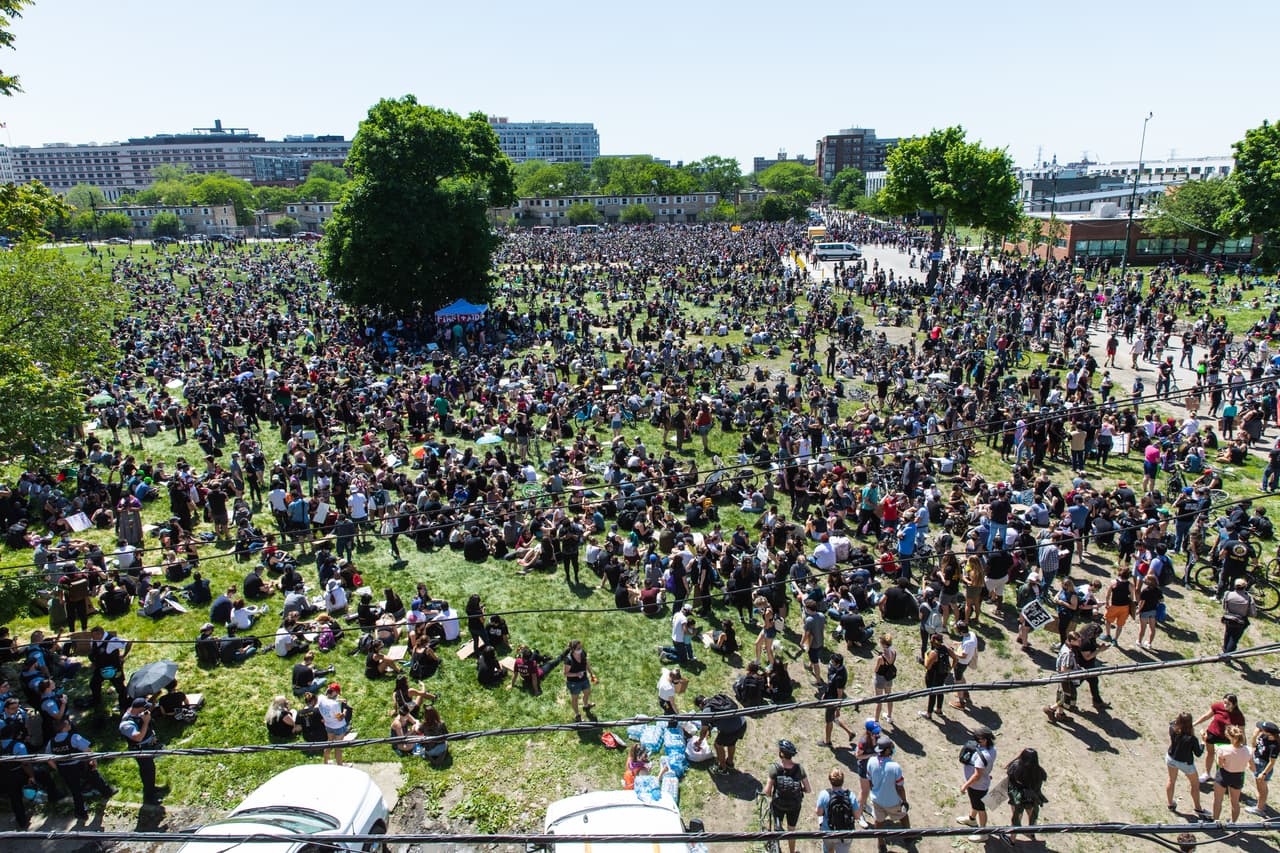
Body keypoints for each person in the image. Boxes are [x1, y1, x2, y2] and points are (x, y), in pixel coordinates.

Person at [45, 714, 113, 822]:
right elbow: (87, 750)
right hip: (79, 765)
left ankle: (81, 813)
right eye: (68, 723)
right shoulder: (74, 737)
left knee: (75, 791)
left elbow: (48, 759)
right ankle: (107, 792)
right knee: (94, 777)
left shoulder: (51, 742)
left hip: (64, 769)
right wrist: (93, 760)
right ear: (65, 726)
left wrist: (57, 768)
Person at [763, 739, 810, 853]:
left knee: (775, 825)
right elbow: (808, 789)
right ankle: (792, 851)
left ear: (781, 754)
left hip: (778, 804)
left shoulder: (775, 768)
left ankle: (774, 844)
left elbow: (767, 791)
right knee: (791, 830)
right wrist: (800, 789)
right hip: (794, 806)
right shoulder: (799, 769)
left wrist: (771, 793)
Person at [865, 735, 909, 853]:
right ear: (887, 750)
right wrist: (904, 801)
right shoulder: (895, 767)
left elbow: (869, 781)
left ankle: (881, 844)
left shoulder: (871, 761)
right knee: (903, 816)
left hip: (877, 800)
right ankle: (908, 836)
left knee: (878, 821)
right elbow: (900, 788)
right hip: (893, 801)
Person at [118, 697, 163, 805]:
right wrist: (146, 722)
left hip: (148, 746)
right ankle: (149, 797)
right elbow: (138, 737)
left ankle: (151, 787)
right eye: (145, 708)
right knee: (147, 771)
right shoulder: (126, 724)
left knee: (150, 769)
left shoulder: (137, 713)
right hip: (140, 750)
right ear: (139, 709)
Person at [956, 726, 996, 841]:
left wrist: (965, 786)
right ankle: (971, 819)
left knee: (980, 808)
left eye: (978, 738)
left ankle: (983, 833)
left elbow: (977, 775)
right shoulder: (993, 749)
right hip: (982, 783)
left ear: (984, 740)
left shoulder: (983, 756)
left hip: (977, 786)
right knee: (975, 804)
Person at [0, 705, 37, 829]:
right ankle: (49, 797)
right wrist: (31, 776)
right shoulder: (18, 746)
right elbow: (25, 763)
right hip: (18, 773)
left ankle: (22, 822)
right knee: (41, 775)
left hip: (3, 776)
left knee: (15, 799)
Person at [1196, 694, 1245, 784]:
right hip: (1212, 734)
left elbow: (1242, 732)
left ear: (1234, 704)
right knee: (1210, 753)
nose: (1225, 705)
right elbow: (1206, 716)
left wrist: (1243, 746)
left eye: (1228, 704)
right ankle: (1206, 773)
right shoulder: (1218, 706)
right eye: (1224, 702)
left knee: (1224, 758)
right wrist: (1194, 724)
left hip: (1226, 738)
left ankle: (1222, 777)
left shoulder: (1239, 715)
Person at [693, 693, 747, 775]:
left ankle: (722, 768)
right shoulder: (719, 699)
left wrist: (699, 741)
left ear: (700, 705)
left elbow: (703, 731)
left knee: (717, 745)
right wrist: (710, 729)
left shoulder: (706, 711)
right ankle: (730, 763)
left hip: (731, 730)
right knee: (731, 742)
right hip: (742, 724)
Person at [1166, 712, 1207, 816]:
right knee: (1195, 784)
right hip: (1185, 763)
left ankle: (1170, 804)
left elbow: (1172, 723)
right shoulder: (1191, 739)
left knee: (1171, 781)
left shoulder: (1172, 729)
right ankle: (1198, 808)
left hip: (1171, 758)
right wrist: (1203, 742)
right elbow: (1198, 753)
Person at [1005, 748, 1047, 842]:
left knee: (1017, 816)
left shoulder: (1015, 767)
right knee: (1032, 814)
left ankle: (1012, 839)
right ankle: (1031, 833)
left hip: (1018, 796)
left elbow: (1008, 772)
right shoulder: (1040, 771)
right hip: (1032, 796)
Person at [815, 767, 860, 853]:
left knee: (828, 850)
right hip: (845, 833)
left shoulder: (824, 794)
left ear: (830, 780)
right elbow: (857, 816)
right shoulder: (850, 795)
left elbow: (819, 813)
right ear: (843, 780)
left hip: (828, 831)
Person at [1213, 725, 1250, 822]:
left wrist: (1217, 755)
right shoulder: (1248, 750)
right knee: (1235, 802)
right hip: (1238, 776)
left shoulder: (1223, 749)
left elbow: (1220, 765)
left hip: (1224, 775)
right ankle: (1233, 823)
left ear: (1229, 736)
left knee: (1218, 800)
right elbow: (1250, 764)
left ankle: (1215, 821)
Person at [820, 653, 856, 747]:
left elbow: (839, 694)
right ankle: (850, 733)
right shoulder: (835, 669)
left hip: (833, 700)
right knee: (833, 718)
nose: (831, 663)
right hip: (829, 695)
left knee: (829, 721)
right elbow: (830, 683)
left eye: (832, 662)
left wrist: (838, 708)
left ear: (838, 664)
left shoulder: (840, 676)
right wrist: (825, 693)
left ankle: (827, 742)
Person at [317, 682, 352, 765]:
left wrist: (339, 700)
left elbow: (328, 700)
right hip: (338, 727)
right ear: (334, 692)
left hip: (328, 726)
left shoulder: (320, 698)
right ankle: (340, 766)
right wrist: (345, 711)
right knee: (338, 748)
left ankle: (325, 763)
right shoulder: (335, 705)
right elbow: (340, 718)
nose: (337, 695)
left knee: (329, 744)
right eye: (337, 694)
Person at [1249, 721, 1280, 815]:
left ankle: (1259, 809)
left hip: (1264, 767)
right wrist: (1254, 736)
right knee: (1258, 786)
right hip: (1257, 763)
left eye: (1261, 729)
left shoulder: (1274, 746)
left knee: (1262, 788)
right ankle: (1260, 803)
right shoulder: (1263, 736)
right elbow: (1254, 745)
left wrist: (1264, 773)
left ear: (1269, 733)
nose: (1259, 729)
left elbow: (1272, 762)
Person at [563, 639, 597, 722]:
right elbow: (566, 673)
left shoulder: (582, 653)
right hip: (573, 683)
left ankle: (586, 705)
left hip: (584, 679)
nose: (580, 649)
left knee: (587, 692)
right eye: (578, 648)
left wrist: (591, 674)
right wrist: (576, 674)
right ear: (573, 649)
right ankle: (577, 715)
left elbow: (586, 663)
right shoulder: (569, 660)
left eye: (581, 647)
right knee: (575, 699)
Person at [1221, 577, 1257, 654]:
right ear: (1245, 586)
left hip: (1228, 618)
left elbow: (1224, 606)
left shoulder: (1228, 594)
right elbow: (1253, 613)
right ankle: (1227, 654)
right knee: (1234, 638)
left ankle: (1225, 649)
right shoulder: (1248, 598)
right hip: (1240, 621)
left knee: (1228, 633)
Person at [872, 634, 897, 727]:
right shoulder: (893, 652)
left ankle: (876, 721)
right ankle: (889, 716)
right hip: (889, 678)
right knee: (889, 697)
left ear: (883, 644)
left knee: (879, 700)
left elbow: (876, 669)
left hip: (880, 679)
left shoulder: (881, 658)